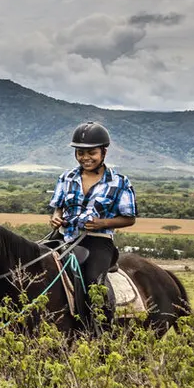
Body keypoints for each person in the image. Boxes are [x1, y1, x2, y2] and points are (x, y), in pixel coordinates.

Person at [46, 121, 136, 329]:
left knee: (93, 284)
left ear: (103, 152)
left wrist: (102, 223)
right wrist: (56, 217)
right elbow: (58, 207)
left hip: (97, 241)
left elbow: (129, 218)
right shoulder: (66, 177)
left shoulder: (120, 182)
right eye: (80, 153)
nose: (85, 158)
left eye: (91, 153)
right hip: (64, 238)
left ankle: (98, 330)